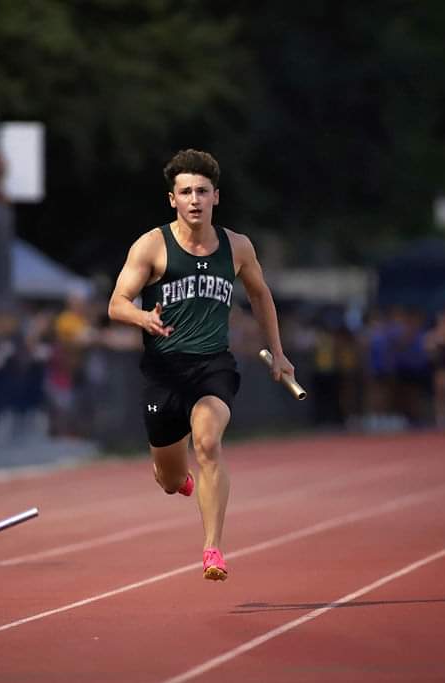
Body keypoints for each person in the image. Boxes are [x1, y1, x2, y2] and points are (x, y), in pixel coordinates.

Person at [108, 149, 296, 580]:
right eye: (185, 191)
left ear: (216, 197)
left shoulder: (238, 247)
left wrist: (279, 353)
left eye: (202, 191)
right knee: (169, 479)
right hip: (163, 373)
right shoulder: (152, 245)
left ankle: (213, 549)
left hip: (212, 366)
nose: (194, 199)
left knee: (209, 443)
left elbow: (261, 295)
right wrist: (143, 317)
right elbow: (117, 302)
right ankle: (183, 484)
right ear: (172, 199)